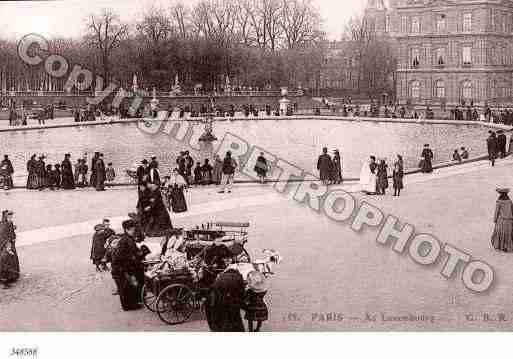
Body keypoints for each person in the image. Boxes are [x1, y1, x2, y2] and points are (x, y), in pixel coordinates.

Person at [110, 219, 144, 311]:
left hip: (121, 267)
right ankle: (129, 306)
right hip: (120, 268)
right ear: (127, 229)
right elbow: (128, 256)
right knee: (126, 287)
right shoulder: (126, 240)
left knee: (127, 286)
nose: (134, 230)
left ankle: (132, 304)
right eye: (132, 229)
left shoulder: (127, 238)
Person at [0, 210, 20, 288]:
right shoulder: (3, 226)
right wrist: (8, 248)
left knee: (12, 261)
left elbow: (11, 230)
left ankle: (12, 276)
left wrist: (13, 228)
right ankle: (5, 281)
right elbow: (4, 238)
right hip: (6, 247)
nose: (10, 218)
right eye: (9, 217)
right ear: (5, 217)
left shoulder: (10, 223)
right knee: (6, 262)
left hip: (11, 245)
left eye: (11, 217)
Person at [491, 188, 513, 253]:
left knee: (500, 233)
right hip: (509, 221)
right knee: (508, 234)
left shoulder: (499, 202)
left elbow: (496, 212)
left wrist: (495, 220)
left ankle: (501, 246)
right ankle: (507, 247)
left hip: (501, 221)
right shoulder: (510, 201)